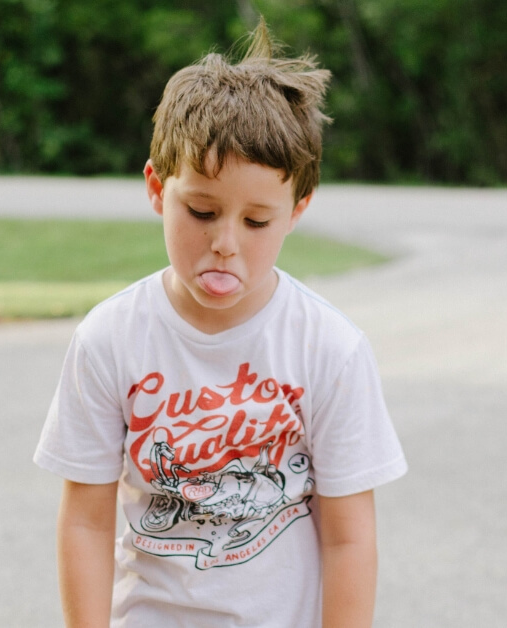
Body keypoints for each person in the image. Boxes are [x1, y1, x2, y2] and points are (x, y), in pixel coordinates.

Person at [34, 19, 407, 628]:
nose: (225, 243)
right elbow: (85, 518)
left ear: (297, 212)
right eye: (202, 211)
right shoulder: (110, 339)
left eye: (257, 221)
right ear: (157, 189)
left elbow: (349, 537)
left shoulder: (328, 349)